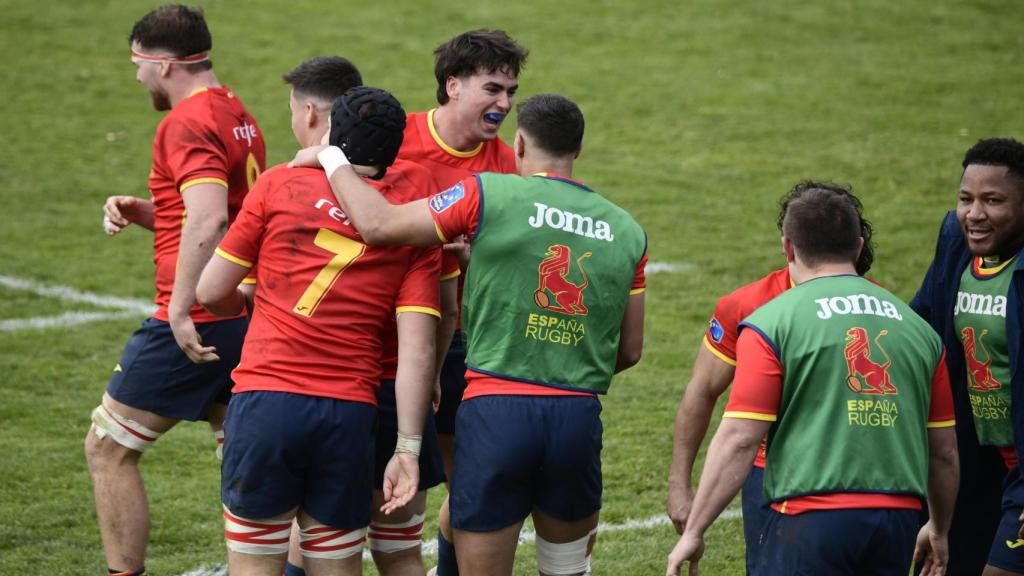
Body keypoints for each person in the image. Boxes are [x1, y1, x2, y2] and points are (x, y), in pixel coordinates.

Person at [291, 92, 646, 576]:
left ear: (518, 143)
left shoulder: (487, 193)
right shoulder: (628, 230)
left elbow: (378, 224)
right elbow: (628, 349)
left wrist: (331, 156)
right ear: (577, 151)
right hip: (576, 419)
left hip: (496, 415)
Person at [195, 85, 439, 576]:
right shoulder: (413, 222)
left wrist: (251, 299)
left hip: (266, 403)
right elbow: (416, 351)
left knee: (255, 565)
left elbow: (209, 292)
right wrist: (408, 448)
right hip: (347, 415)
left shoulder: (278, 186)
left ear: (332, 136)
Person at [666, 182, 959, 576]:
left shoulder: (771, 321)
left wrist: (695, 529)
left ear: (788, 247)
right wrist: (939, 527)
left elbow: (739, 436)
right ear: (858, 247)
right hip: (897, 516)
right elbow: (943, 452)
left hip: (806, 512)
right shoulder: (916, 329)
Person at [84, 5, 265, 575]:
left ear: (163, 64)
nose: (136, 76)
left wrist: (182, 308)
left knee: (108, 448)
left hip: (196, 318)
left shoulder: (185, 121)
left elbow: (210, 219)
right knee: (242, 465)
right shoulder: (237, 111)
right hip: (245, 313)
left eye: (137, 64)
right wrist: (152, 210)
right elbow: (228, 210)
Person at [265, 57, 446, 576]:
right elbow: (443, 308)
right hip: (399, 391)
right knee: (398, 551)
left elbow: (238, 293)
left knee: (314, 543)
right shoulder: (421, 186)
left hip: (326, 391)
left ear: (319, 116)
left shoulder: (288, 186)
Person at [665, 190, 876, 572]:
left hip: (857, 468)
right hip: (771, 476)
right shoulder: (746, 305)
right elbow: (703, 390)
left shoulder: (880, 311)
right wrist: (679, 484)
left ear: (787, 247)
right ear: (858, 247)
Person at [396, 28, 528, 576]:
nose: (504, 103)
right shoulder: (396, 139)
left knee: (469, 486)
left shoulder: (502, 168)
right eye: (492, 88)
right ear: (452, 85)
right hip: (387, 334)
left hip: (461, 339)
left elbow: (515, 267)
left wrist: (474, 256)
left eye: (511, 92)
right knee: (374, 492)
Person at [911, 137, 1024, 576]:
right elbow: (919, 324)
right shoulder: (955, 241)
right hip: (971, 461)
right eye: (966, 199)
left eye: (993, 200)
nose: (974, 214)